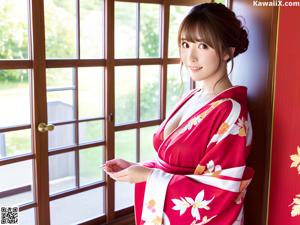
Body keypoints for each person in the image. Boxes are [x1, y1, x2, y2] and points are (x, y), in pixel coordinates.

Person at [103, 3, 254, 225]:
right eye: (185, 44)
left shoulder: (231, 112)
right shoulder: (192, 95)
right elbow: (172, 164)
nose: (190, 57)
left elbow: (222, 189)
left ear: (226, 52)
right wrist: (141, 168)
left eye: (203, 46)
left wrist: (147, 177)